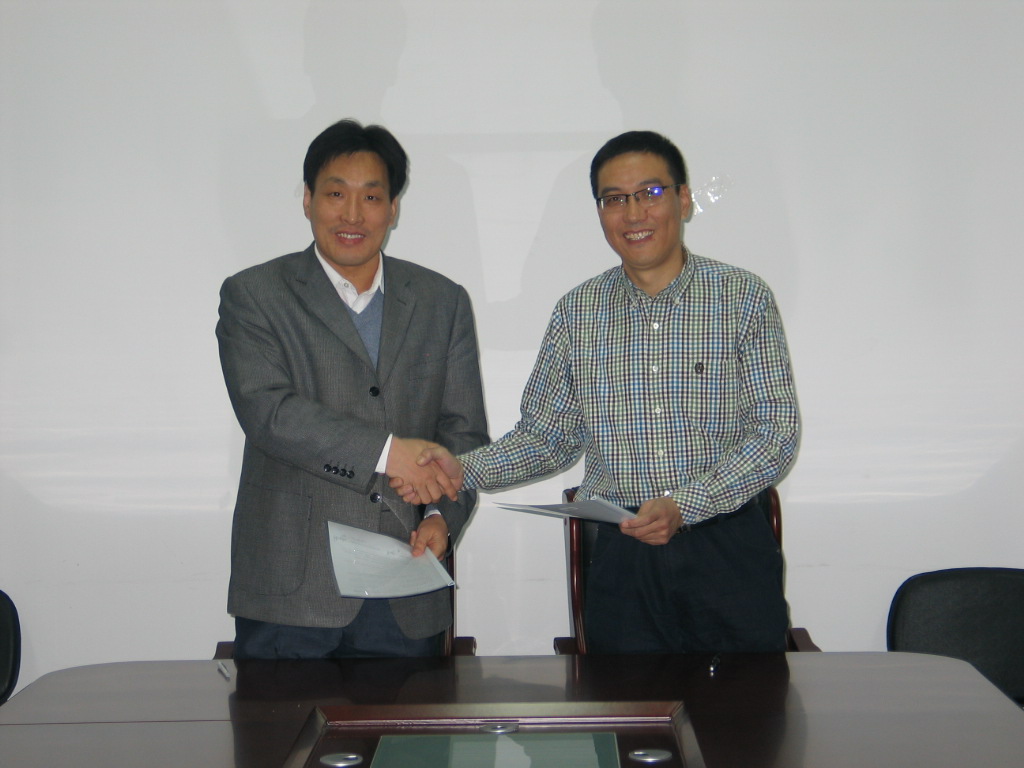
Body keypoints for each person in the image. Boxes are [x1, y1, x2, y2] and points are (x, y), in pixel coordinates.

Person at [395, 130, 800, 654]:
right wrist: (460, 470)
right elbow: (547, 439)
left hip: (727, 547)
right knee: (623, 703)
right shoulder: (577, 313)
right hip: (623, 559)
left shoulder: (742, 298)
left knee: (748, 705)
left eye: (650, 193)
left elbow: (775, 434)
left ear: (683, 199)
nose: (634, 213)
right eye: (615, 199)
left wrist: (686, 505)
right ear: (601, 212)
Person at [216, 119, 488, 659]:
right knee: (281, 720)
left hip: (406, 584)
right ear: (308, 200)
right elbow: (269, 413)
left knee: (409, 720)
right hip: (291, 591)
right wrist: (389, 453)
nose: (353, 214)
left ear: (393, 209)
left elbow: (465, 435)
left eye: (372, 196)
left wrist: (441, 517)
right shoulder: (254, 294)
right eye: (336, 194)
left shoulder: (442, 300)